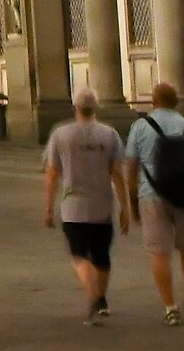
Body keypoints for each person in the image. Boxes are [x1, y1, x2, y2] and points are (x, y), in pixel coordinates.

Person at [124, 81, 184, 323]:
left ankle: (170, 308)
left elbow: (131, 168)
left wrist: (132, 203)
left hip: (152, 195)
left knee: (160, 253)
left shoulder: (140, 127)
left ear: (153, 102)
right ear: (176, 102)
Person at [43, 86, 129, 323]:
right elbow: (117, 173)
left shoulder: (61, 134)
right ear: (96, 107)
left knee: (79, 255)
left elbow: (52, 173)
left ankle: (93, 296)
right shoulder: (109, 134)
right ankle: (101, 300)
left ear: (75, 107)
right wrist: (125, 207)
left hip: (73, 207)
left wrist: (48, 208)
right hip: (102, 205)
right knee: (102, 256)